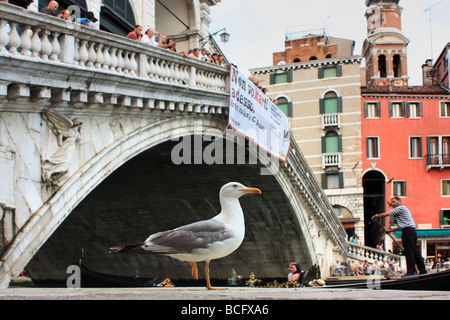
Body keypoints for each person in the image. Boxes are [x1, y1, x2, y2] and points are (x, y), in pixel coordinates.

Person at [372, 197, 427, 276]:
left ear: (399, 201)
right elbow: (401, 226)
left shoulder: (400, 208)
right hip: (410, 231)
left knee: (409, 251)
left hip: (408, 232)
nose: (393, 204)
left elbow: (386, 214)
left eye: (394, 202)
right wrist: (389, 231)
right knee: (414, 251)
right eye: (392, 203)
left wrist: (376, 216)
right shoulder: (400, 214)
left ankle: (411, 272)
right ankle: (423, 270)